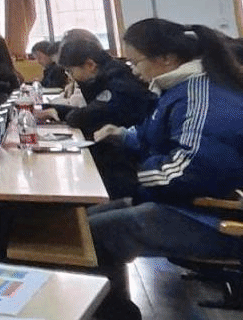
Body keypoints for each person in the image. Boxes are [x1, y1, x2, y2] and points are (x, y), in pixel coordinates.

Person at [87, 19, 243, 320]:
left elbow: (190, 168)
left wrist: (136, 174)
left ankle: (116, 314)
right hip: (189, 203)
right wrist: (123, 136)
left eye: (136, 62)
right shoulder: (180, 90)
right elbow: (156, 137)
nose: (133, 70)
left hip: (215, 217)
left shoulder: (203, 95)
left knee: (94, 234)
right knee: (82, 223)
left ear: (167, 58)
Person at [35, 36, 157, 198]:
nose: (70, 77)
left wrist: (63, 113)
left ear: (90, 65)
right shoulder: (107, 75)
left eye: (71, 71)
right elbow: (92, 110)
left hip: (131, 159)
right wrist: (55, 110)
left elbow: (90, 115)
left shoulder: (119, 81)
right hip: (125, 152)